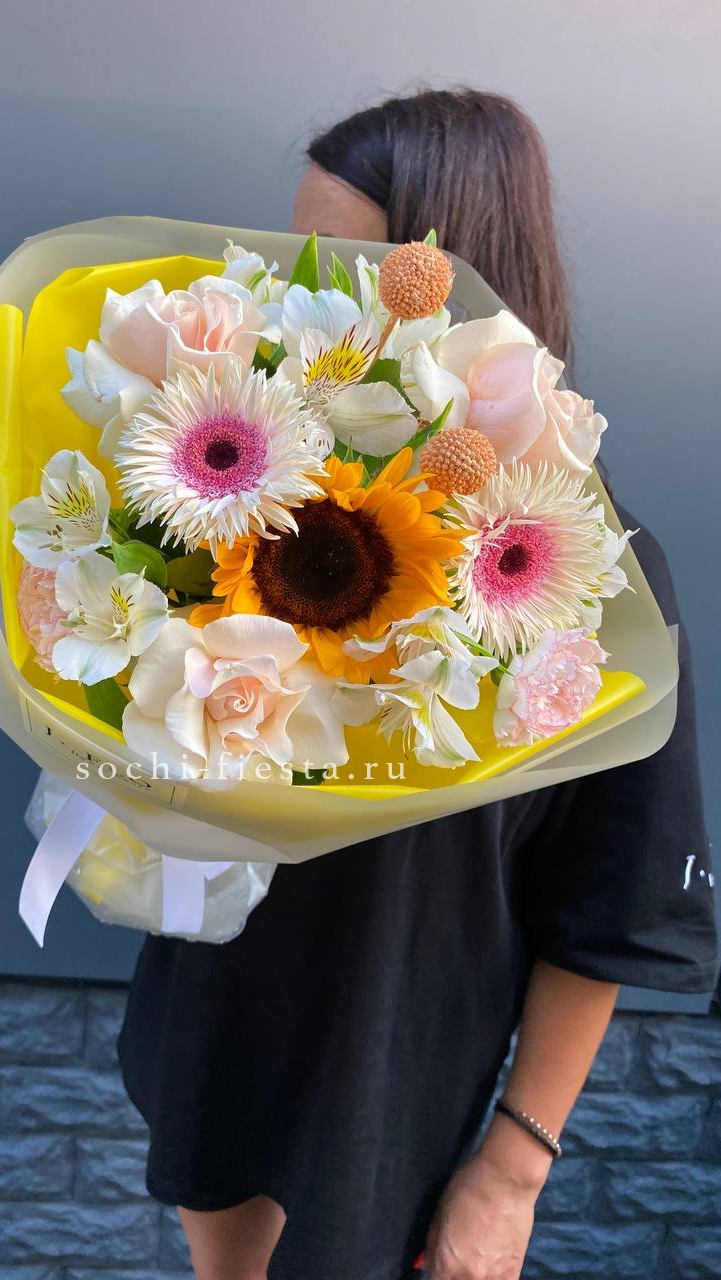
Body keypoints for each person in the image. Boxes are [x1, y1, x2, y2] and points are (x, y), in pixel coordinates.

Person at [117, 88, 718, 1280]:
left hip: (396, 1089)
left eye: (339, 260)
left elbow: (614, 899)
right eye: (290, 254)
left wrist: (513, 1168)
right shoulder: (243, 512)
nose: (296, 292)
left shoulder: (584, 574)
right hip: (215, 1035)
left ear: (451, 275)